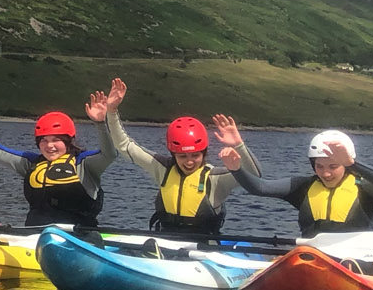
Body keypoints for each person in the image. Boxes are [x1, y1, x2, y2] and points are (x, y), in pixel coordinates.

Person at [99, 77, 260, 236]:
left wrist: (238, 144)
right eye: (182, 156)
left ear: (203, 153)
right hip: (165, 243)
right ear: (173, 154)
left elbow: (255, 177)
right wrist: (112, 112)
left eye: (195, 155)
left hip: (203, 250)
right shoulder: (162, 168)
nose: (189, 161)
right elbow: (125, 146)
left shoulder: (215, 178)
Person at [0, 84, 117, 228]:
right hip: (34, 237)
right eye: (44, 141)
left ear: (68, 141)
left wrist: (101, 123)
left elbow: (109, 154)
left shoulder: (83, 164)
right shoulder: (30, 163)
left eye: (56, 140)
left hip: (78, 237)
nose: (49, 146)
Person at [222, 128, 373, 233]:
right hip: (315, 257)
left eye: (333, 167)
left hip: (355, 259)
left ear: (346, 165)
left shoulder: (365, 188)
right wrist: (236, 169)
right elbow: (260, 187)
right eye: (319, 166)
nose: (325, 173)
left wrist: (353, 164)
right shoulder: (302, 187)